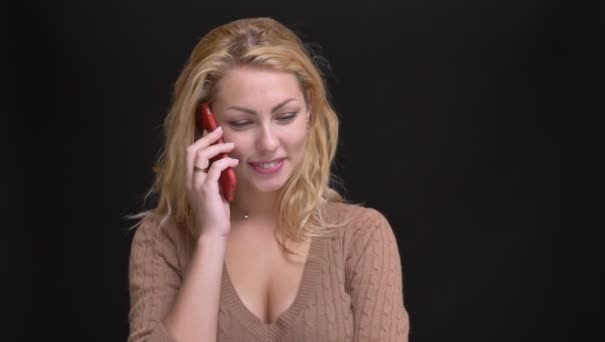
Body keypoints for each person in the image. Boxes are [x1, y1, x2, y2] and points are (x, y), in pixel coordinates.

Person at [127, 17, 409, 342]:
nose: (268, 143)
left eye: (285, 116)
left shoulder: (362, 236)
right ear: (206, 127)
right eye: (242, 122)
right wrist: (211, 237)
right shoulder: (161, 239)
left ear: (310, 113)